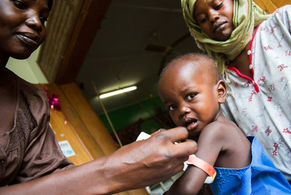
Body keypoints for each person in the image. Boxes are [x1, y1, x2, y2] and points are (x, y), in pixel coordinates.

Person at [0, 0, 198, 194]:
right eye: (20, 4)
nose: (36, 22)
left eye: (44, 18)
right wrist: (114, 171)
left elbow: (49, 180)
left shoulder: (32, 103)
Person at [181, 0, 291, 192]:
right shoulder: (219, 87)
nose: (212, 16)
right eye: (202, 19)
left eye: (218, 5)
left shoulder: (285, 23)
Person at [158, 53, 291, 195]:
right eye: (172, 106)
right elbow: (212, 190)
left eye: (191, 96)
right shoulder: (216, 135)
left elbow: (188, 188)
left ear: (220, 92)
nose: (182, 110)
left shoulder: (215, 131)